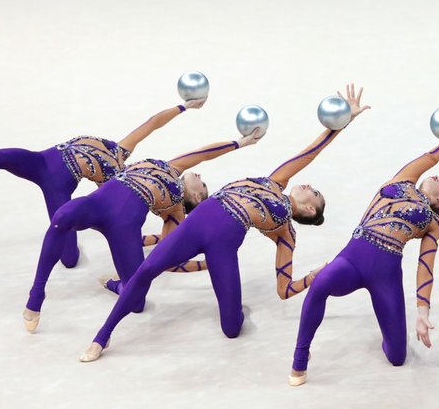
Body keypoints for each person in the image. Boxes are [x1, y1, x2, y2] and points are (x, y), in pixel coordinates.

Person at [78, 83, 371, 363]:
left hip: (223, 245)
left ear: (308, 209)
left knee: (231, 328)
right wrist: (343, 122)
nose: (308, 185)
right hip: (198, 222)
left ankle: (236, 310)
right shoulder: (275, 181)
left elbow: (284, 289)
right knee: (145, 271)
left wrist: (313, 277)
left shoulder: (286, 233)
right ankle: (101, 338)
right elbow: (309, 152)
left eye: (314, 193)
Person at [288, 115, 439, 386]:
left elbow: (426, 266)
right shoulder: (404, 178)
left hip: (386, 275)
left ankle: (390, 337)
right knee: (320, 284)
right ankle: (300, 357)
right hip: (352, 260)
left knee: (397, 357)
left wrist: (423, 313)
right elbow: (434, 156)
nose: (437, 177)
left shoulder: (434, 222)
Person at [21, 129, 262, 333]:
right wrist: (240, 142)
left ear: (197, 196)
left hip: (123, 229)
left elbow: (167, 261)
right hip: (96, 205)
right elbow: (204, 154)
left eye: (203, 183)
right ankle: (36, 294)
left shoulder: (175, 214)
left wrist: (204, 265)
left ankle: (118, 286)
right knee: (61, 217)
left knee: (137, 302)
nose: (199, 175)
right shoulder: (172, 168)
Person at [0, 97, 205, 269]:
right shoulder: (122, 147)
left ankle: (71, 251)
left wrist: (148, 238)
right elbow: (153, 123)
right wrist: (184, 106)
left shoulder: (117, 178)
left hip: (57, 188)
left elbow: (110, 209)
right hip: (40, 161)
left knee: (69, 259)